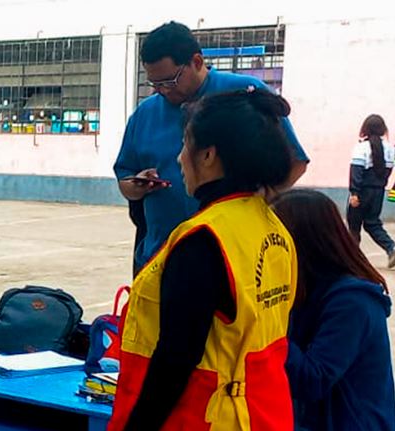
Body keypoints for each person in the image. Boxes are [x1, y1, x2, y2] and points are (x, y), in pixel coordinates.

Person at [104, 88, 299, 431]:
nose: (178, 158)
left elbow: (177, 356)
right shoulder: (271, 227)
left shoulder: (203, 239)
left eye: (186, 144)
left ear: (209, 155)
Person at [114, 21, 308, 275]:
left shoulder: (244, 95)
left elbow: (295, 161)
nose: (161, 91)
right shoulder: (145, 114)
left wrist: (257, 205)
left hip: (234, 255)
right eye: (155, 84)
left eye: (170, 81)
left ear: (196, 61)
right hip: (160, 255)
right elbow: (124, 177)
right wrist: (137, 185)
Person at [270, 189, 395, 431]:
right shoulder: (307, 287)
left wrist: (269, 321)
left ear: (301, 243)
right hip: (301, 423)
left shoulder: (352, 301)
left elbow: (312, 380)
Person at [348, 114, 395, 268]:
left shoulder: (361, 147)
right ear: (383, 129)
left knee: (354, 225)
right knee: (372, 223)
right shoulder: (390, 148)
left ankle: (352, 258)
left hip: (362, 190)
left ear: (365, 128)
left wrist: (354, 193)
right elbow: (388, 171)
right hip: (378, 191)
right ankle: (391, 247)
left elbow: (356, 171)